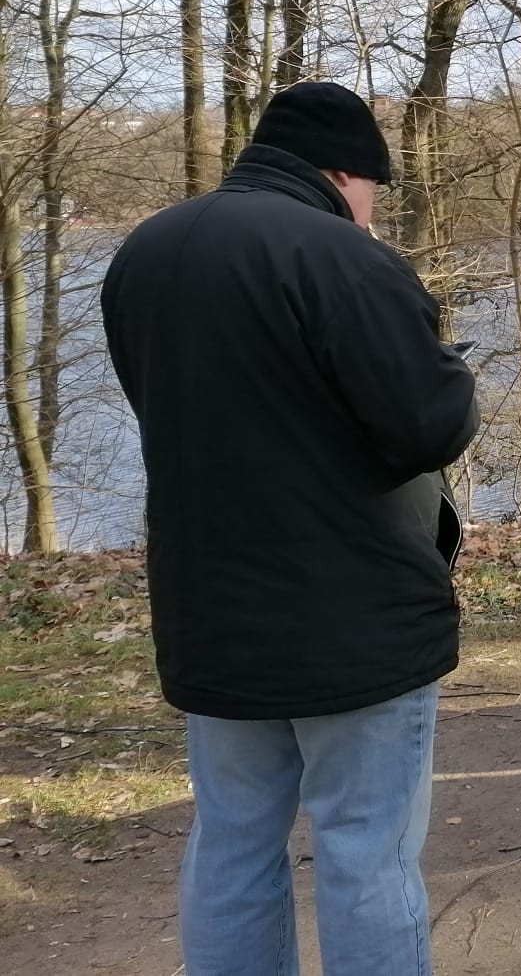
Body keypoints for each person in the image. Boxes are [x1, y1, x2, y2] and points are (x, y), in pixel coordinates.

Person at [101, 82, 479, 976]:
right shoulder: (343, 256)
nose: (373, 208)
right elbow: (427, 427)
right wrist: (453, 372)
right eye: (374, 189)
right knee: (366, 850)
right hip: (354, 613)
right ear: (345, 173)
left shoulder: (146, 252)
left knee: (232, 842)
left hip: (209, 606)